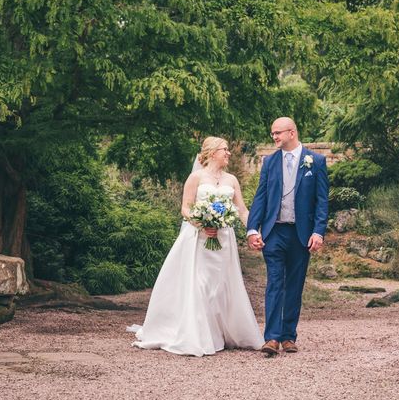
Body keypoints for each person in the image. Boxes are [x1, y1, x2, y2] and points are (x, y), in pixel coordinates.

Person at [128, 137, 264, 356]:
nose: (229, 153)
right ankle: (199, 335)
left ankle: (218, 333)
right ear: (212, 153)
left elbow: (242, 210)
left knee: (220, 285)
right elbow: (185, 208)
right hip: (199, 240)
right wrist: (201, 223)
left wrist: (253, 231)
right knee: (200, 284)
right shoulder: (196, 177)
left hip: (223, 241)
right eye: (225, 150)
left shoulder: (232, 180)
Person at [246, 117, 329, 356]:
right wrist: (253, 229)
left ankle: (288, 336)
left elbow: (322, 201)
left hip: (301, 234)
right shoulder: (270, 162)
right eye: (272, 133)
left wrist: (318, 231)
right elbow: (260, 197)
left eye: (277, 133)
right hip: (274, 232)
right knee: (274, 283)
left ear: (292, 132)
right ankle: (271, 337)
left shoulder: (317, 161)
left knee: (294, 285)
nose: (274, 137)